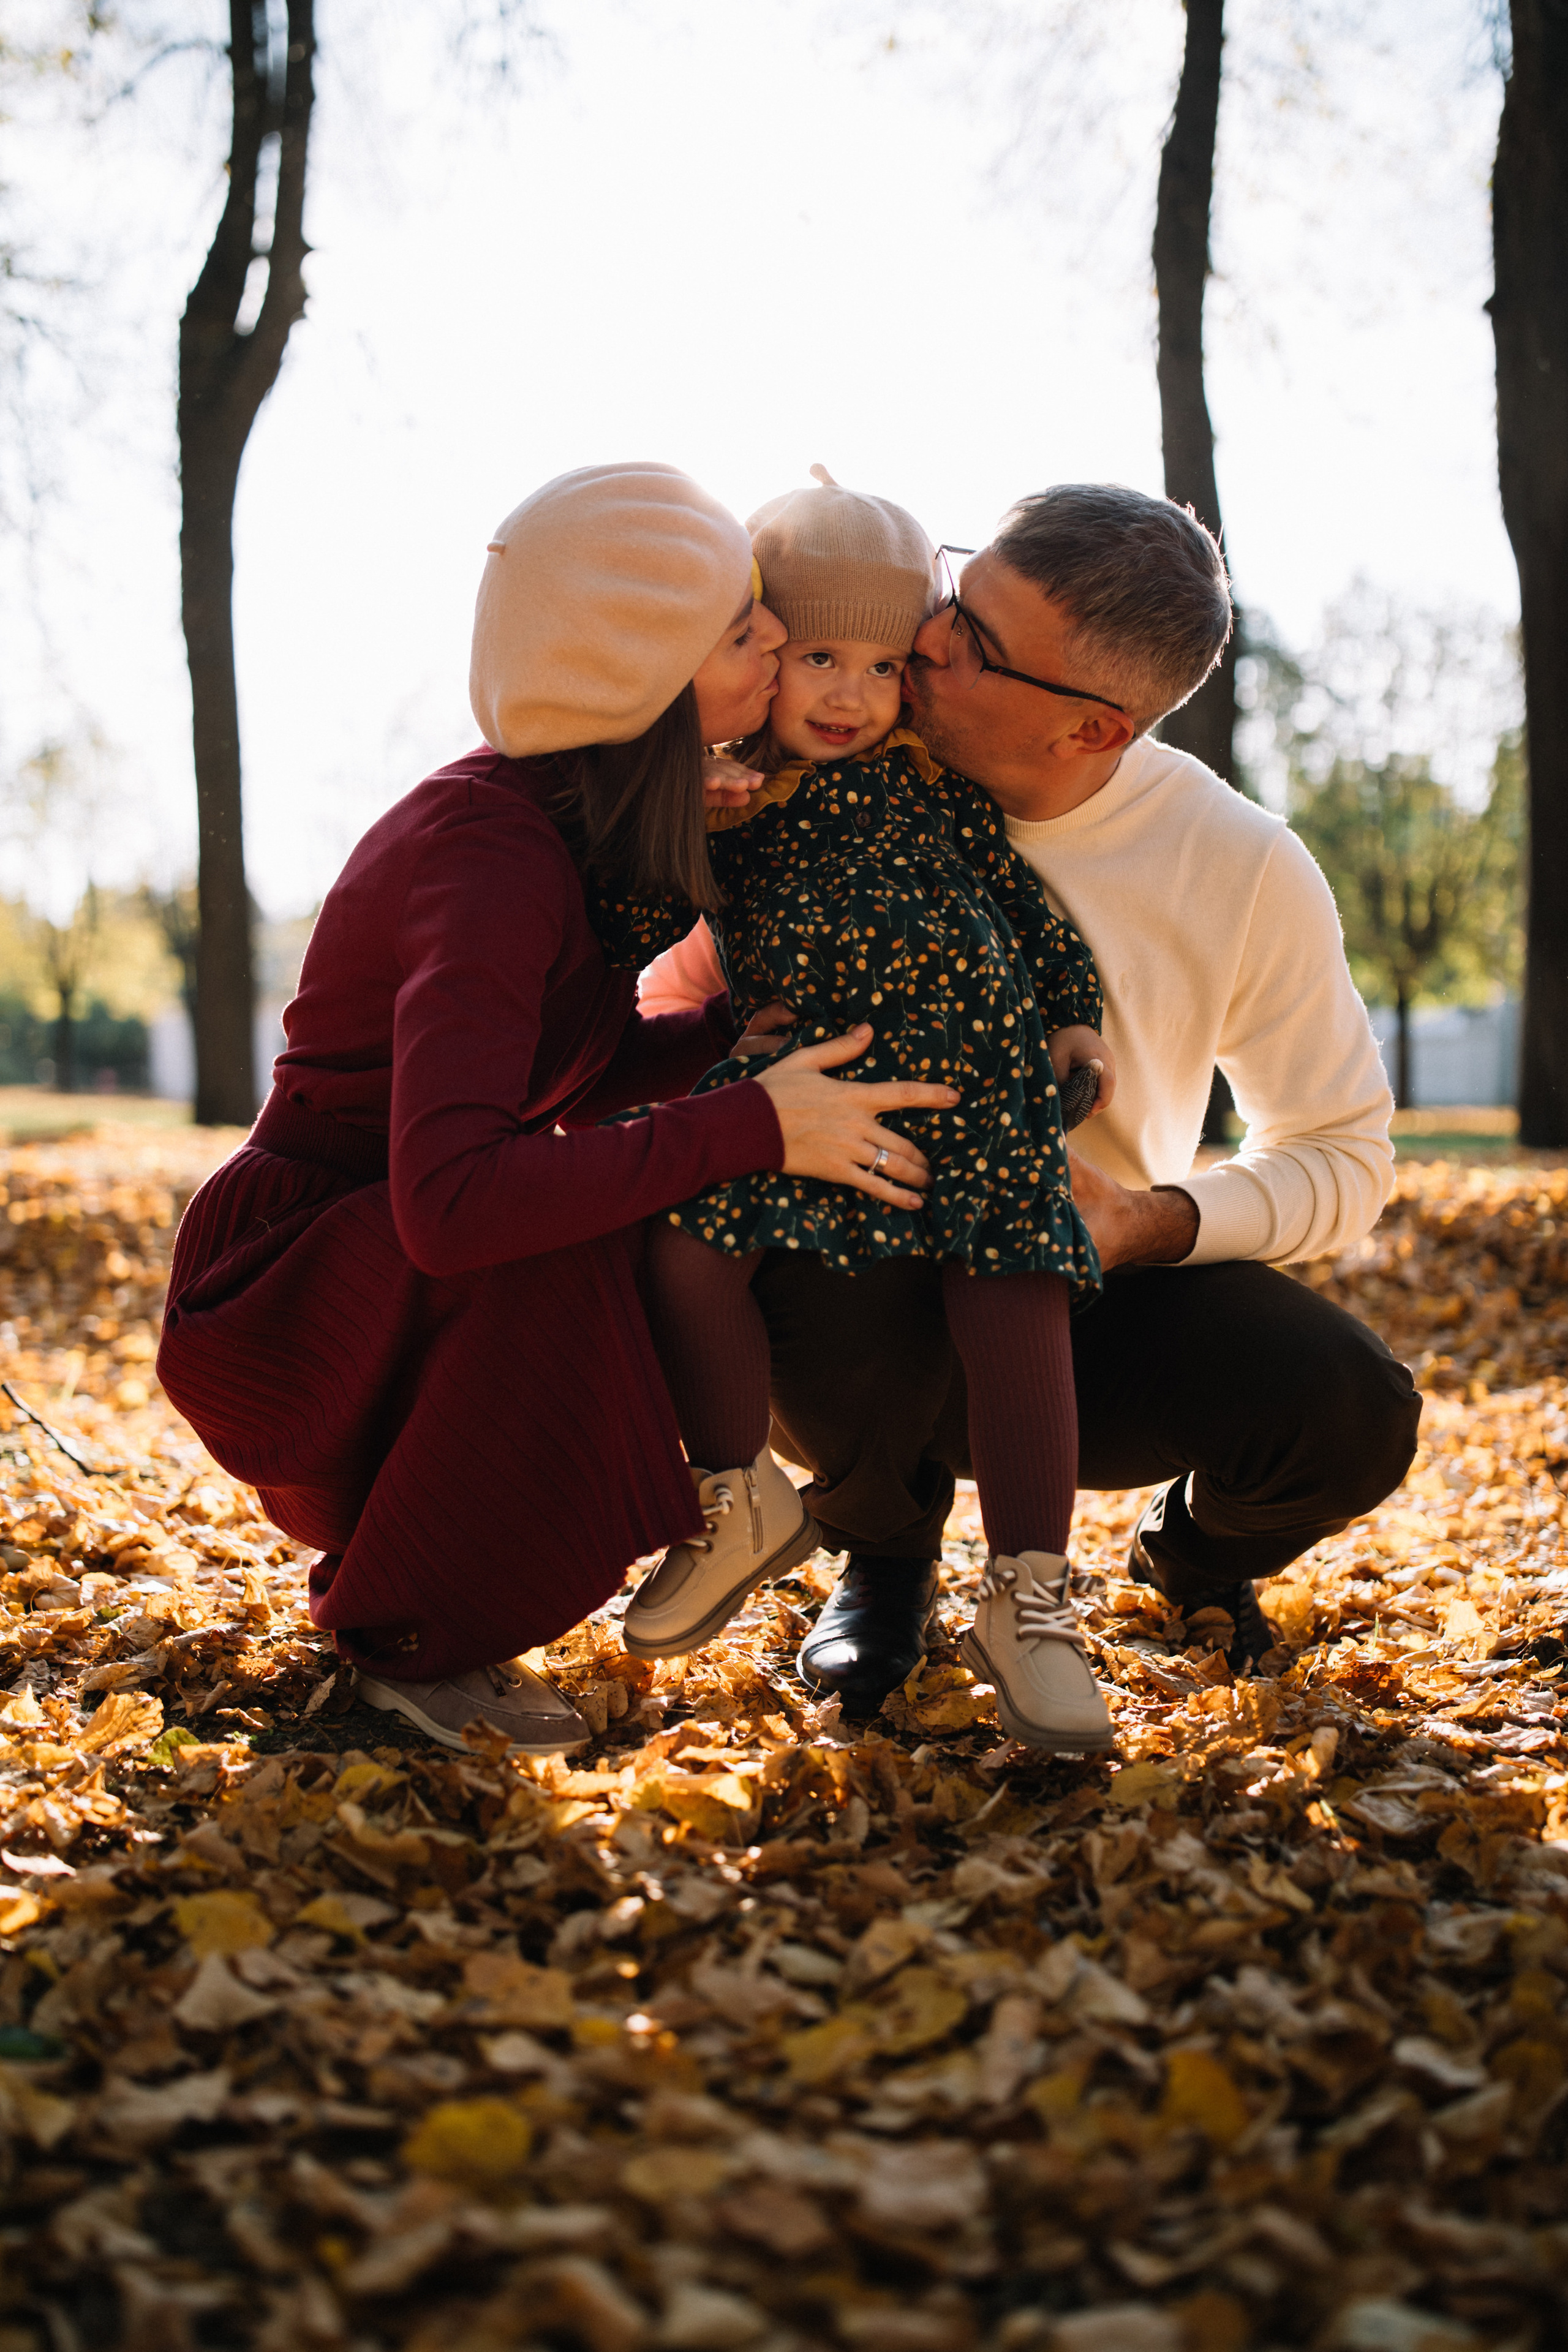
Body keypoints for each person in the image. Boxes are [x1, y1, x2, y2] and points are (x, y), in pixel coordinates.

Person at [155, 462, 961, 1754]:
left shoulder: (558, 827)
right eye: (743, 632)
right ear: (636, 672)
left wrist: (722, 1042)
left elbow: (567, 1050)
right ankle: (413, 1639)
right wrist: (749, 1123)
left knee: (608, 1188)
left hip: (367, 1267)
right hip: (292, 1303)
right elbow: (454, 1200)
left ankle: (454, 1598)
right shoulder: (485, 855)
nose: (774, 651)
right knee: (580, 1217)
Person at [639, 481, 1420, 1714]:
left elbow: (1342, 1154)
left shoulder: (1238, 863)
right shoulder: (803, 789)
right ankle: (879, 1555)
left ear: (1093, 730)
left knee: (1347, 1406)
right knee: (784, 1238)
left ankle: (1189, 1561)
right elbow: (652, 1009)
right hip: (854, 1271)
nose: (931, 636)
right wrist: (733, 1053)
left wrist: (1145, 1220)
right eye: (956, 594)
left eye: (977, 645)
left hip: (1078, 1287)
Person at [620, 471, 1115, 1752]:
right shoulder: (720, 802)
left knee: (1012, 1304)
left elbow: (1020, 903)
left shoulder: (928, 784)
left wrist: (1070, 1013)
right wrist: (682, 789)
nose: (851, 694)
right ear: (757, 653)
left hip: (981, 1079)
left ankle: (1029, 1592)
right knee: (682, 1247)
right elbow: (618, 925)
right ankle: (737, 1495)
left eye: (886, 664)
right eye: (819, 658)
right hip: (811, 1083)